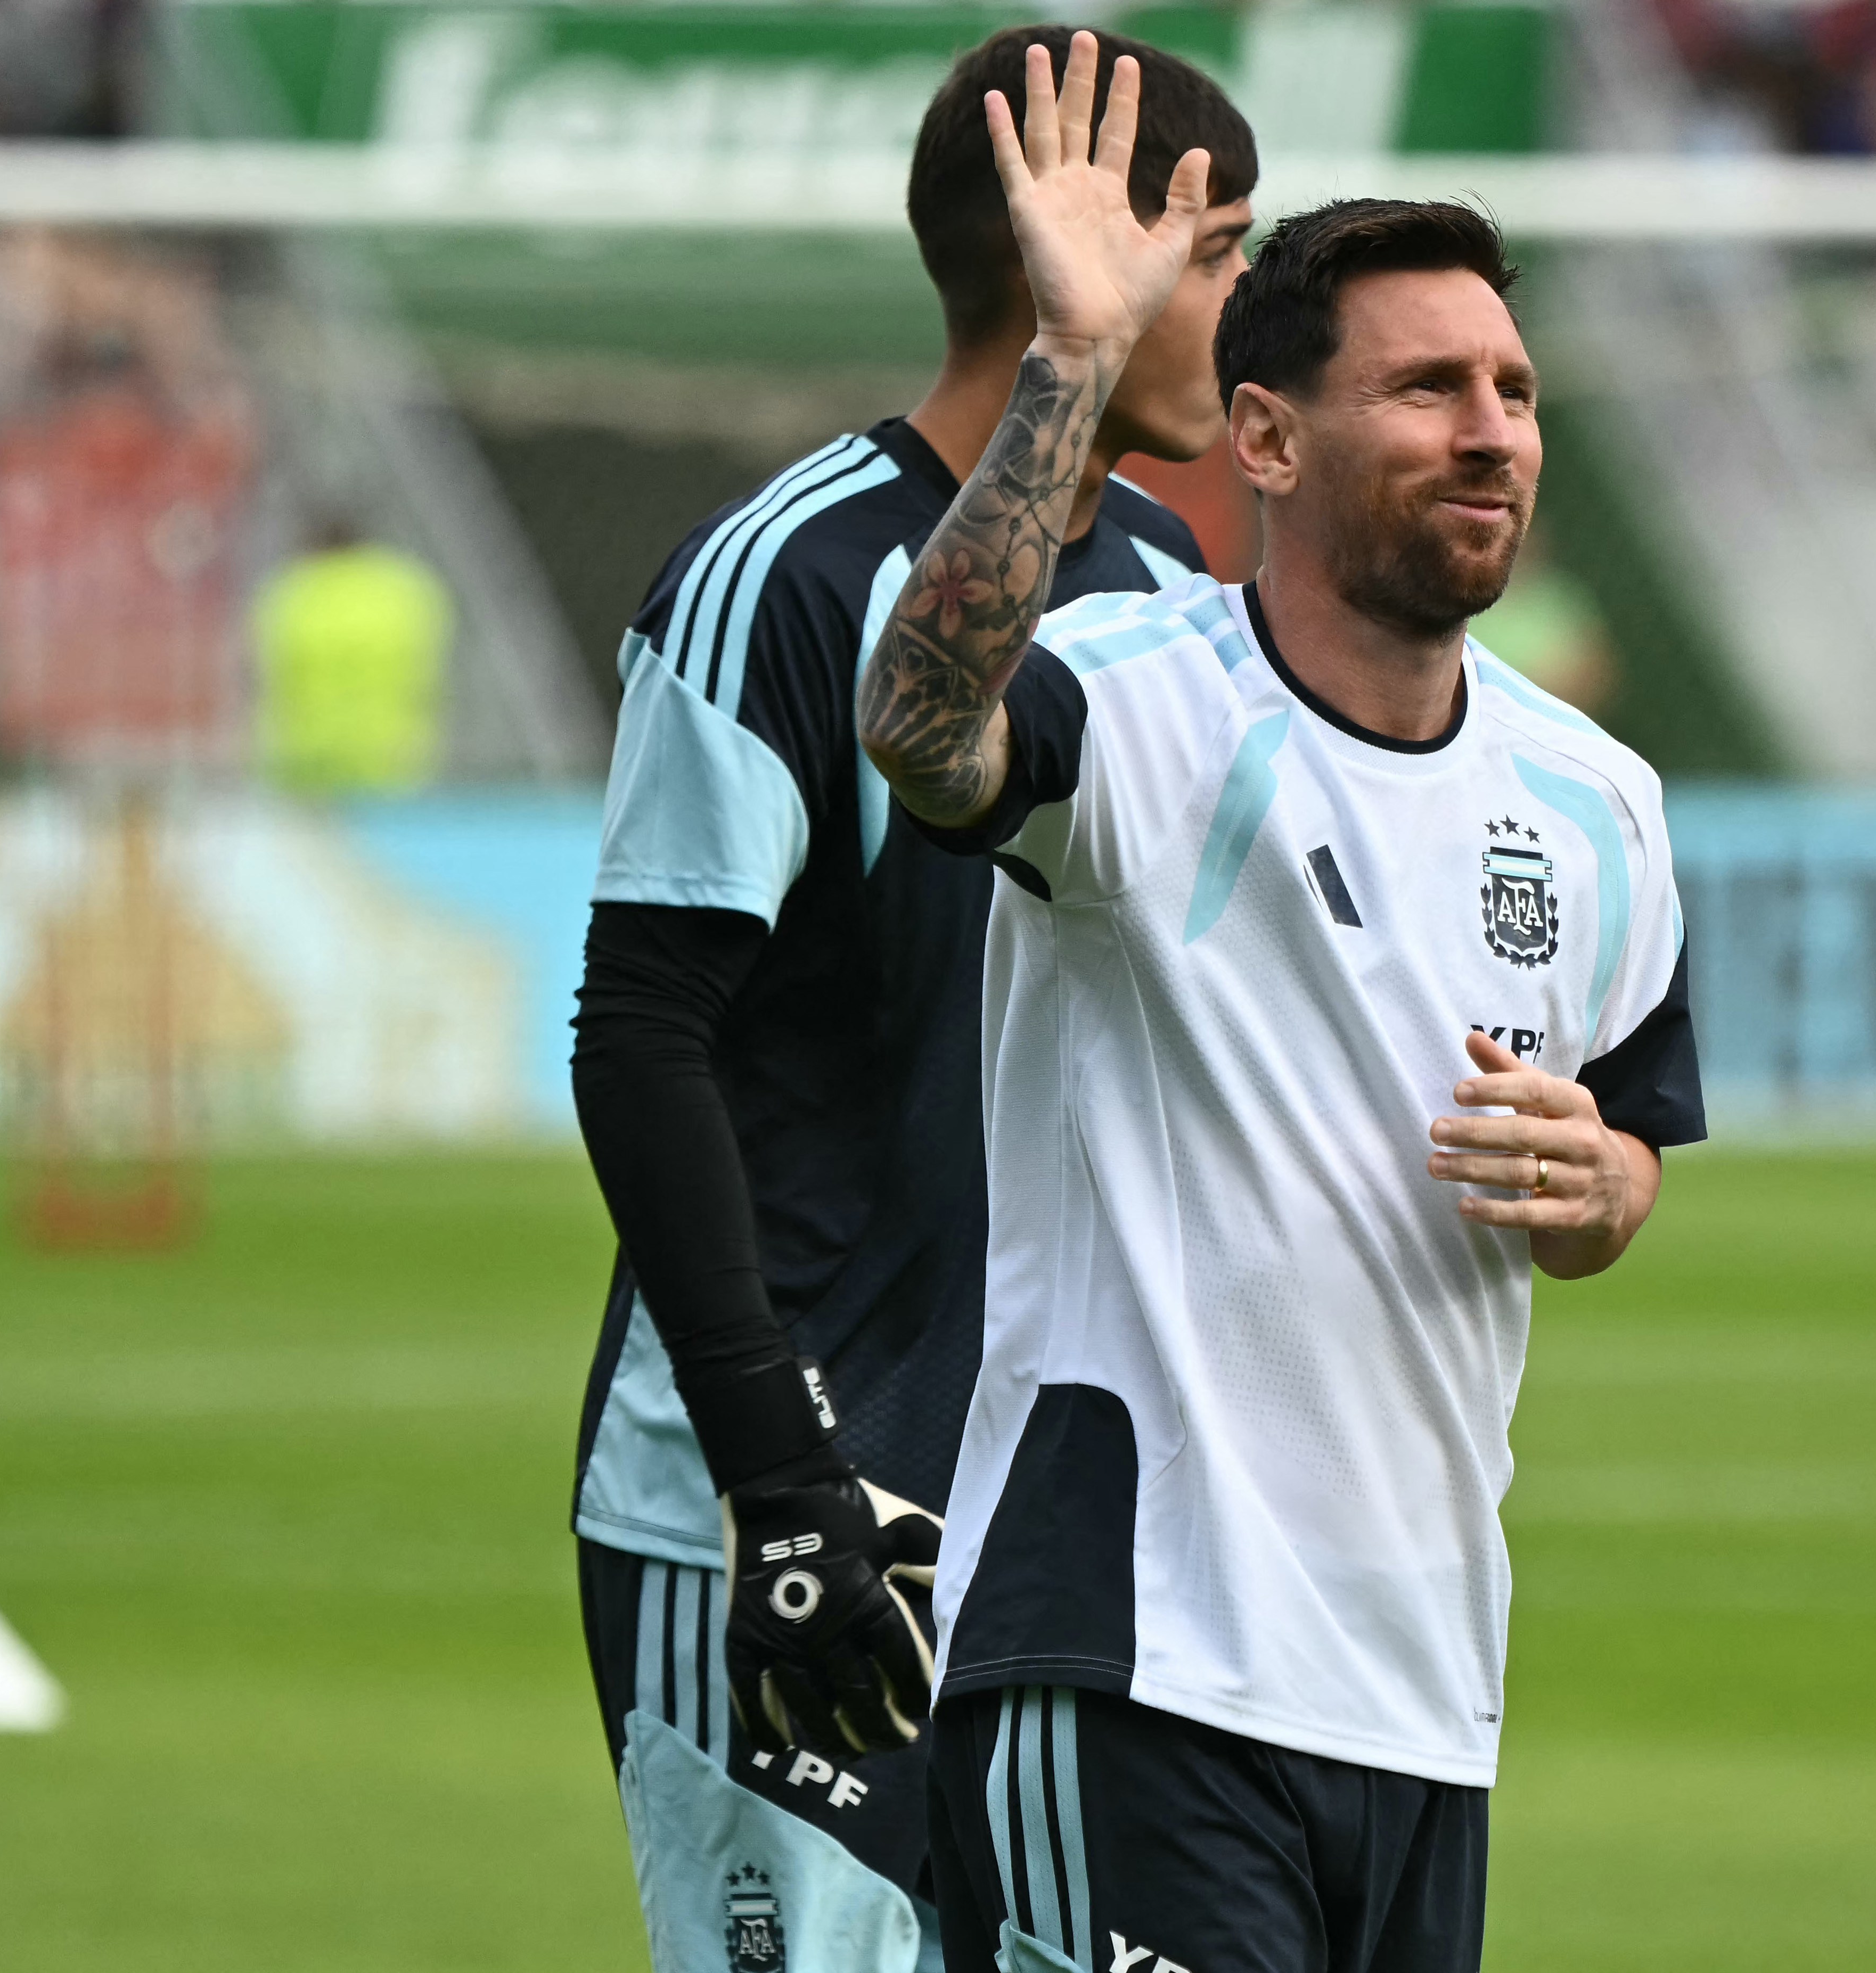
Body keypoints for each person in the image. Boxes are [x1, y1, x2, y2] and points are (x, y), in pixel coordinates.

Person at [854, 44, 1703, 1973]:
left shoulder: (1600, 802)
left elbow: (1627, 1152)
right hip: (1130, 1652)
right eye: (1424, 388)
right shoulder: (1136, 698)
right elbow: (915, 726)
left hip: (1420, 1696)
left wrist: (1602, 1186)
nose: (1489, 432)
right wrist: (1072, 364)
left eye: (1511, 390)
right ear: (1263, 438)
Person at [565, 24, 1257, 1967]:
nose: (1249, 308)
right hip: (787, 1500)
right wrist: (777, 1475)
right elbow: (640, 1035)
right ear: (1071, 261)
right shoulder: (780, 576)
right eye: (1219, 253)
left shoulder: (1168, 584)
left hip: (1055, 1514)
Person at [250, 519, 449, 796]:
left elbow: (266, 676)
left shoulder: (294, 592)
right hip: (391, 757)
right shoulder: (403, 590)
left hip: (306, 758)